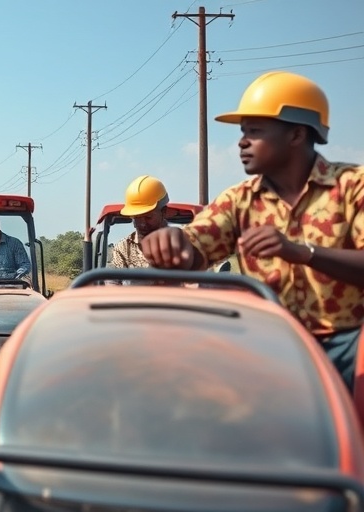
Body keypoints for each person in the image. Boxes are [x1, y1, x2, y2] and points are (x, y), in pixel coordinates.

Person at [139, 70, 364, 391]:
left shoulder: (353, 187)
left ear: (297, 134)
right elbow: (195, 249)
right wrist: (174, 244)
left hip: (347, 345)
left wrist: (302, 253)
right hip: (267, 347)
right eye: (243, 131)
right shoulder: (238, 201)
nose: (242, 142)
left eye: (255, 131)